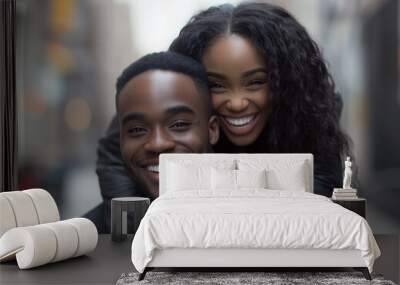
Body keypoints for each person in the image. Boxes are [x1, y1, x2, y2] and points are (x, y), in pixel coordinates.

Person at [96, 2, 353, 227]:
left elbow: (317, 202)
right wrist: (139, 229)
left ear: (284, 82)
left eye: (255, 82)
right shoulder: (163, 103)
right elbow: (114, 156)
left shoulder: (312, 113)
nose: (237, 103)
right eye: (217, 85)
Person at [97, 51, 219, 232]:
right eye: (137, 129)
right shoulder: (91, 238)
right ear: (120, 139)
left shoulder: (252, 222)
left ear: (212, 130)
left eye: (179, 124)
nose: (157, 144)